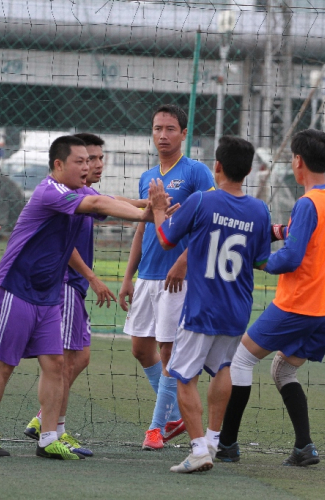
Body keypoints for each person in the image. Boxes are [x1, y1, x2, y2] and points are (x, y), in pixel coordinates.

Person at [0, 135, 158, 460]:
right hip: (15, 288)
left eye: (90, 161)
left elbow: (107, 199)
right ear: (58, 165)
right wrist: (147, 215)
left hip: (47, 295)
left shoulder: (78, 191)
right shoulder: (50, 190)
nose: (88, 167)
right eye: (80, 162)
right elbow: (100, 204)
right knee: (4, 366)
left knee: (57, 364)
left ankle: (48, 438)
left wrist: (151, 207)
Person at [217, 129, 325, 466]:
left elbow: (290, 258)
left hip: (298, 305)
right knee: (283, 371)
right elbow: (299, 233)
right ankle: (304, 448)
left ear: (298, 161)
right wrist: (271, 231)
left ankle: (227, 444)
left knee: (240, 360)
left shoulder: (307, 203)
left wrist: (259, 262)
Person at [146, 136, 271, 473]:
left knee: (181, 375)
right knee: (223, 368)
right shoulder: (259, 209)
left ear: (217, 166)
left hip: (202, 307)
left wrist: (158, 208)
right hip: (238, 307)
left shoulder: (202, 201)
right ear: (247, 171)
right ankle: (214, 440)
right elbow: (260, 259)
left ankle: (199, 448)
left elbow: (165, 238)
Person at [22, 133, 149, 457]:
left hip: (73, 286)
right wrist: (91, 276)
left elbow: (113, 201)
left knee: (78, 358)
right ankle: (50, 428)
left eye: (98, 158)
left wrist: (149, 205)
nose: (95, 164)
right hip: (64, 283)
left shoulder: (86, 193)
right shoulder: (66, 196)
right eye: (88, 158)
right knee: (62, 361)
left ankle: (49, 423)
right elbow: (65, 248)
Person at [119, 104, 216, 450]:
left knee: (167, 352)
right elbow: (143, 227)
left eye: (170, 129)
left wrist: (185, 263)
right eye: (158, 128)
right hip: (147, 275)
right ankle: (175, 413)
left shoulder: (196, 173)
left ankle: (155, 429)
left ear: (184, 133)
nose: (163, 135)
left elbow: (209, 223)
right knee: (140, 349)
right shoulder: (148, 176)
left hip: (178, 279)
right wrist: (128, 276)